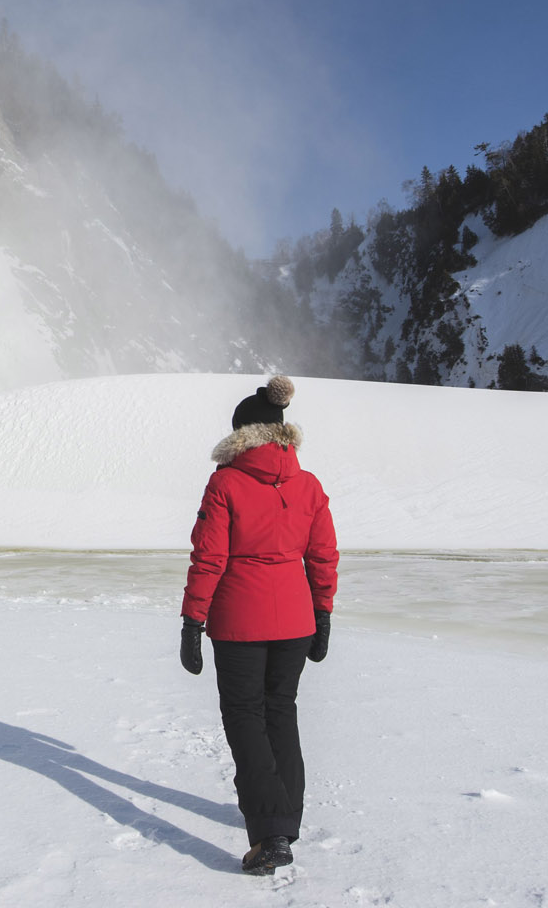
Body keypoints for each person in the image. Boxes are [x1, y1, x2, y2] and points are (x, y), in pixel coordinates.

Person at [179, 374, 339, 875]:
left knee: (246, 718)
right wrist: (323, 612)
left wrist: (192, 620)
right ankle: (285, 817)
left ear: (241, 435)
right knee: (281, 713)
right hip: (294, 621)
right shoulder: (308, 484)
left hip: (239, 624)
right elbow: (324, 555)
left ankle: (271, 835)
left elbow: (209, 557)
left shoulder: (226, 481)